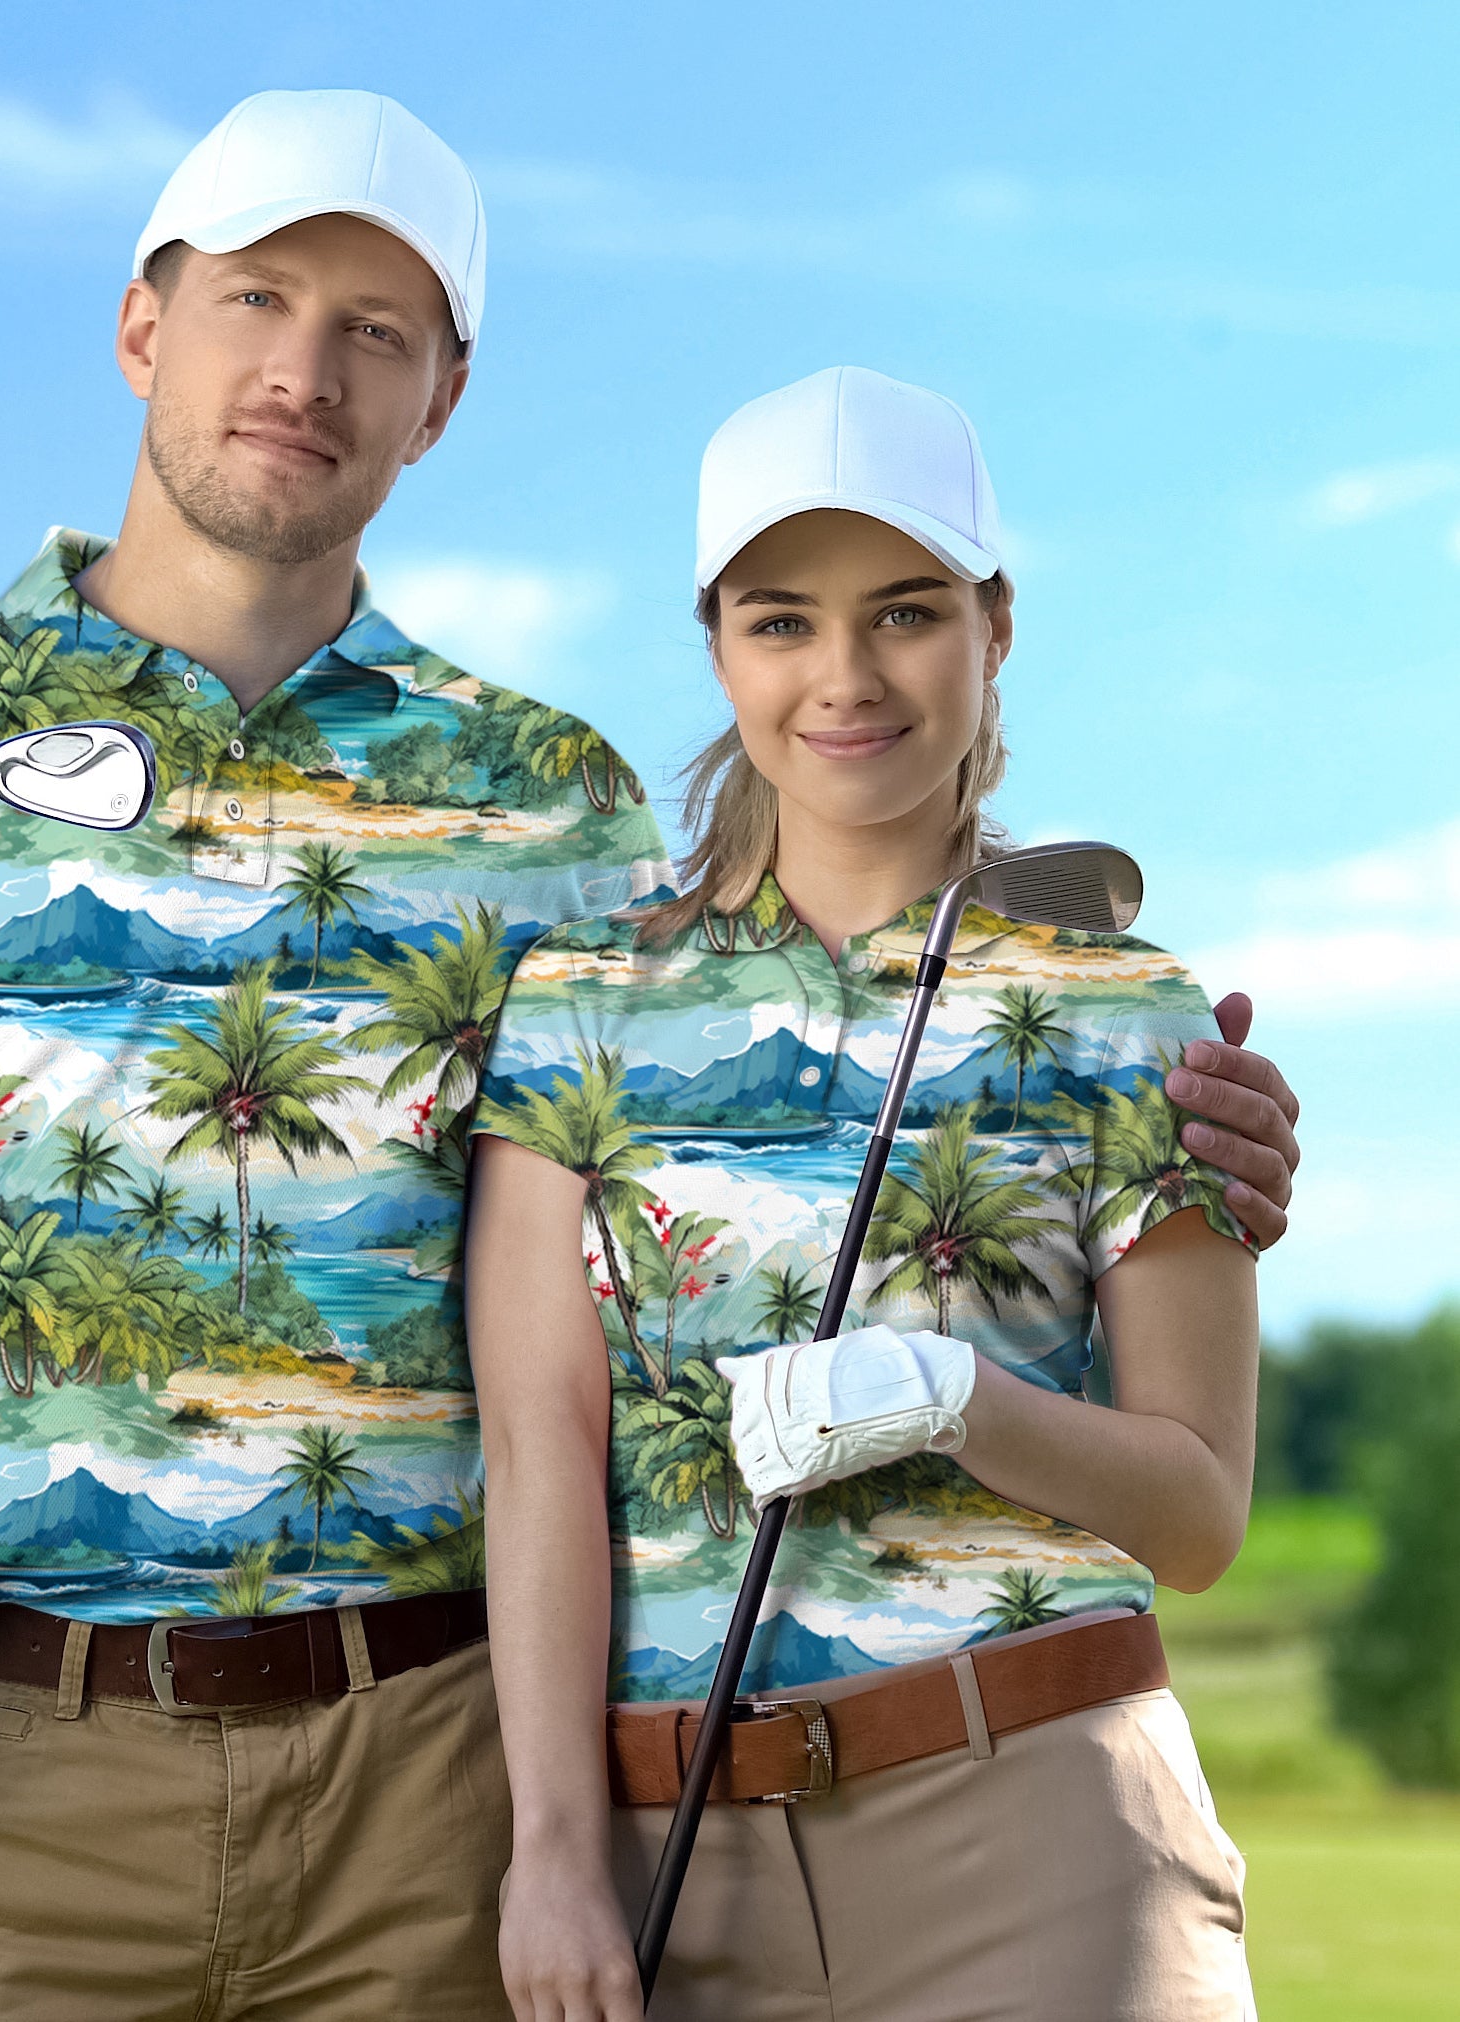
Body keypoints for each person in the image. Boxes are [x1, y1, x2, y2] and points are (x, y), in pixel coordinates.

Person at [0, 84, 1299, 2018]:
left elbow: (754, 1126)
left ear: (442, 396)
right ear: (143, 323)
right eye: (256, 300)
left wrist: (1163, 1114)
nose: (304, 370)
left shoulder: (548, 802)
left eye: (373, 331)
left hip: (430, 1780)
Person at [468, 367, 1271, 2020]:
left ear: (992, 626)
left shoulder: (1125, 1005)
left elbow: (1194, 1516)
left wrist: (947, 1396)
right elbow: (539, 1447)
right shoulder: (580, 1006)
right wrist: (550, 1844)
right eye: (781, 622)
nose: (843, 677)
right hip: (672, 1853)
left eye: (903, 612)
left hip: (1041, 1816)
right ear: (715, 645)